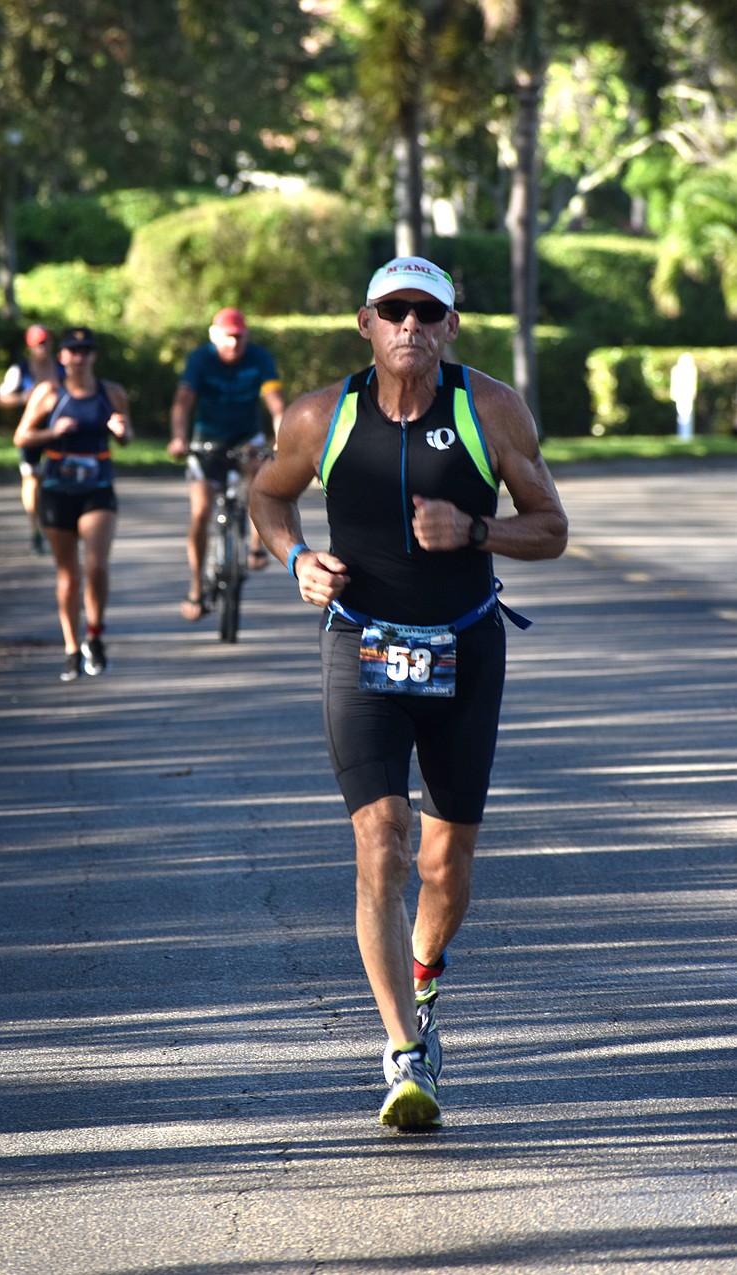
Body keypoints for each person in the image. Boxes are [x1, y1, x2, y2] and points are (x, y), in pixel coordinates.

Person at [249, 256, 568, 1129]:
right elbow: (267, 495)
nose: (411, 326)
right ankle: (404, 1049)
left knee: (444, 862)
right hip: (363, 648)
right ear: (367, 322)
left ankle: (425, 974)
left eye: (429, 312)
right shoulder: (320, 415)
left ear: (450, 327)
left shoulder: (489, 407)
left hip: (465, 647)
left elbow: (552, 528)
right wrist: (296, 559)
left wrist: (476, 529)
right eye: (395, 310)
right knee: (381, 841)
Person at [13, 326, 133, 682]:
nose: (78, 357)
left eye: (85, 350)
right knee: (68, 577)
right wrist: (53, 432)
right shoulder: (49, 393)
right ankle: (70, 647)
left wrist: (121, 431)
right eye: (71, 351)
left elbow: (127, 437)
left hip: (97, 489)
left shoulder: (112, 393)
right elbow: (21, 435)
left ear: (93, 356)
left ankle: (94, 636)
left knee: (96, 566)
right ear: (61, 356)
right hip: (56, 489)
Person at [167, 307, 285, 620]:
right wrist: (178, 439)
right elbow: (183, 402)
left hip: (247, 437)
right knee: (201, 508)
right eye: (227, 338)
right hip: (207, 439)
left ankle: (257, 546)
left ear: (246, 336)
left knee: (260, 481)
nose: (233, 344)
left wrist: (281, 437)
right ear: (214, 336)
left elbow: (276, 403)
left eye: (239, 337)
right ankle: (195, 587)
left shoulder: (259, 358)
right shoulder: (200, 360)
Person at [0, 324, 63, 554]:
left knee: (54, 480)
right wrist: (23, 398)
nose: (42, 348)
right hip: (31, 431)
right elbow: (1, 397)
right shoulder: (20, 370)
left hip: (58, 431)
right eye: (38, 344)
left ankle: (57, 526)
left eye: (45, 342)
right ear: (30, 346)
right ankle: (35, 528)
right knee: (31, 479)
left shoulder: (62, 368)